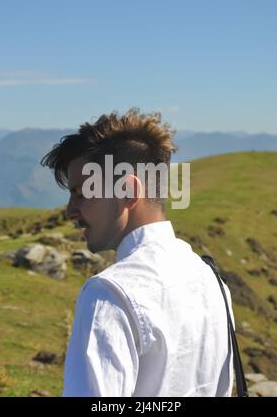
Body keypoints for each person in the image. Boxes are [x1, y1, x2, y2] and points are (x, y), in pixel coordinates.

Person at [41, 108, 234, 397]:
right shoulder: (212, 281)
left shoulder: (109, 293)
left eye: (81, 193)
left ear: (128, 191)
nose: (70, 210)